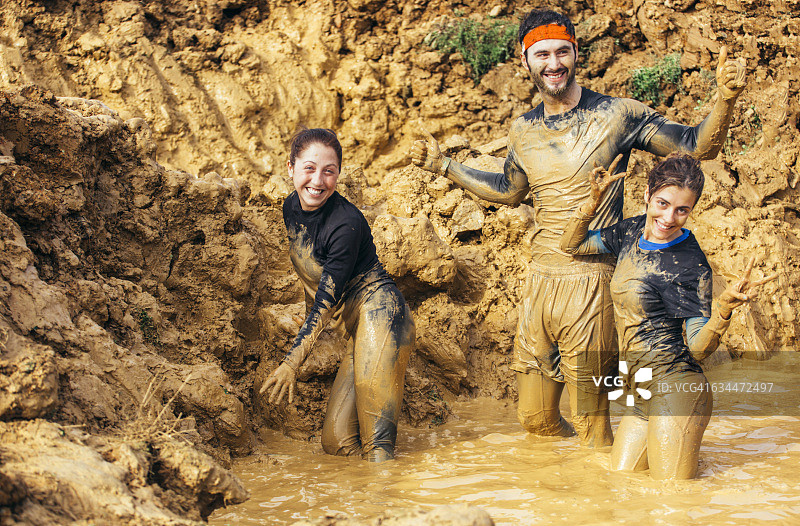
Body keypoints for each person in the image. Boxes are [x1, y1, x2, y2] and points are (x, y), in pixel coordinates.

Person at [410, 8, 748, 447]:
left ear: (576, 53)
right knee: (534, 418)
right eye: (542, 54)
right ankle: (569, 490)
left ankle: (604, 498)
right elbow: (511, 190)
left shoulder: (618, 114)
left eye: (562, 52)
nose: (553, 64)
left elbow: (695, 145)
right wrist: (444, 165)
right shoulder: (522, 129)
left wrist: (725, 97)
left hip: (591, 281)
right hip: (539, 283)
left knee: (592, 424)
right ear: (525, 60)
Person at [559, 152, 777, 478]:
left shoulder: (690, 264)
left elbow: (698, 349)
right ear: (647, 195)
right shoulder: (630, 231)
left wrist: (724, 310)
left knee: (672, 501)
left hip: (678, 390)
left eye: (682, 210)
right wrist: (591, 203)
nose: (669, 217)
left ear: (691, 210)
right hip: (642, 390)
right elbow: (571, 245)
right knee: (618, 484)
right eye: (662, 203)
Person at [260, 128, 415, 462]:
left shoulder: (345, 224)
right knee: (337, 442)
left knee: (377, 446)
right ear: (291, 168)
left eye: (329, 171)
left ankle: (388, 509)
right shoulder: (291, 207)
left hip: (382, 316)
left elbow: (326, 303)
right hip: (357, 332)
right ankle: (361, 505)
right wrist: (306, 321)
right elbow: (307, 271)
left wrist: (292, 362)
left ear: (338, 175)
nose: (318, 180)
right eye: (309, 168)